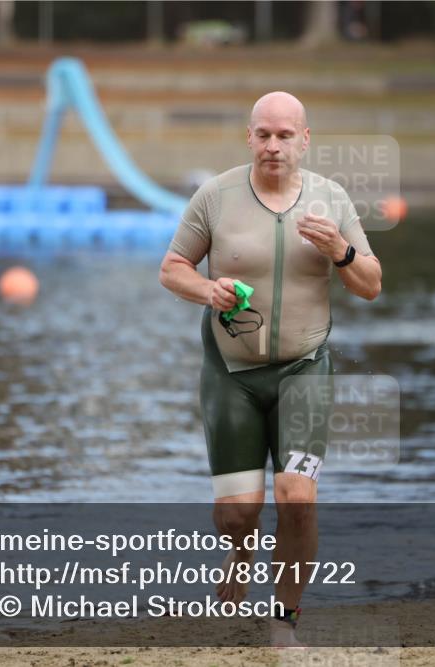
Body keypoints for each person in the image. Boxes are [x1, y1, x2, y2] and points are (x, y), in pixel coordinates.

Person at [159, 91, 382, 646]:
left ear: (305, 140)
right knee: (236, 515)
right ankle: (241, 548)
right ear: (249, 137)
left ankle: (285, 618)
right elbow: (171, 268)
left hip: (304, 370)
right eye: (264, 134)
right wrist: (208, 289)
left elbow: (372, 285)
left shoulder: (331, 200)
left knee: (296, 496)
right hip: (230, 375)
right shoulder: (216, 195)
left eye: (286, 135)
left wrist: (341, 253)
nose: (273, 146)